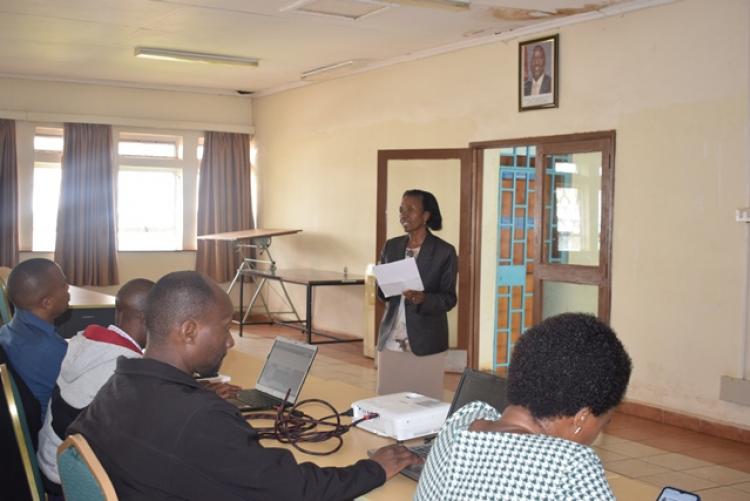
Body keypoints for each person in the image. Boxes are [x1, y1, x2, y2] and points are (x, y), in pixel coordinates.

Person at [69, 271, 420, 500]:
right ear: (189, 331)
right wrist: (374, 468)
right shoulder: (200, 419)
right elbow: (293, 490)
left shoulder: (119, 383)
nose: (229, 342)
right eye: (224, 327)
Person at [415, 313, 633, 501]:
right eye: (603, 423)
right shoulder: (570, 466)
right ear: (581, 418)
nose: (598, 434)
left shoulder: (462, 420)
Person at [36, 278, 155, 491]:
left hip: (50, 460)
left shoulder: (85, 341)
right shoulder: (126, 367)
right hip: (72, 481)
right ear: (147, 318)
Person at [376, 189, 457, 400]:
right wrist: (384, 284)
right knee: (387, 400)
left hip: (427, 340)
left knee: (425, 402)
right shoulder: (391, 246)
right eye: (401, 209)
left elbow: (449, 298)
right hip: (391, 338)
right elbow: (382, 294)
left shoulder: (444, 251)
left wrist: (425, 299)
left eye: (411, 210)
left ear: (426, 215)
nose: (403, 215)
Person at [0, 258, 70, 419]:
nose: (67, 288)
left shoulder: (6, 332)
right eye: (63, 285)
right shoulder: (53, 350)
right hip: (47, 434)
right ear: (47, 303)